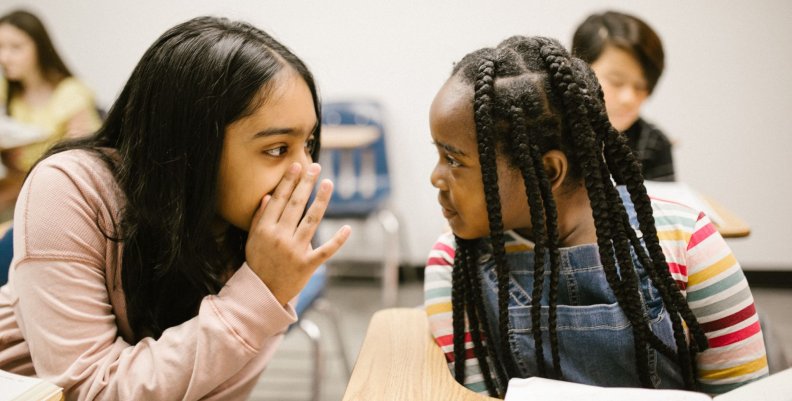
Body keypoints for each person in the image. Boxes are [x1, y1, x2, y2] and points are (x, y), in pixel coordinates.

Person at [0, 16, 351, 400]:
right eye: (276, 149)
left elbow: (215, 392)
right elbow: (89, 392)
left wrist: (265, 287)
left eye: (309, 142)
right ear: (191, 147)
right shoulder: (69, 187)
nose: (306, 172)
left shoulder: (268, 244)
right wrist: (257, 294)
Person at [424, 36, 767, 398]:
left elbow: (744, 394)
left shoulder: (689, 244)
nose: (435, 177)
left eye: (454, 160)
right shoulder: (454, 262)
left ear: (548, 172)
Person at [0, 9, 102, 217]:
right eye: (0, 47)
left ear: (39, 47)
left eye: (15, 48)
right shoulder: (6, 89)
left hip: (56, 190)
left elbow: (82, 160)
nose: (4, 57)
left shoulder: (71, 92)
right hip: (18, 184)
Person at [571, 10, 675, 182]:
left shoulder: (653, 144)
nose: (629, 99)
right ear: (578, 70)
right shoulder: (547, 130)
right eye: (616, 81)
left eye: (641, 86)